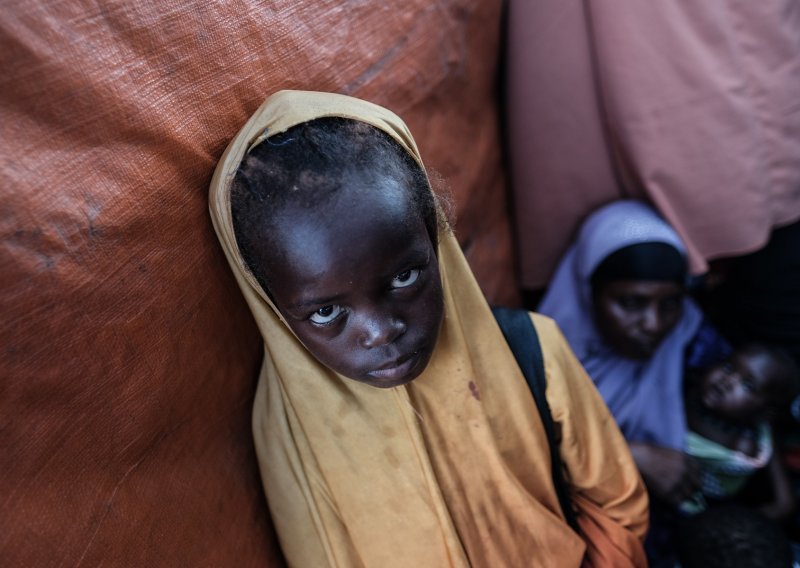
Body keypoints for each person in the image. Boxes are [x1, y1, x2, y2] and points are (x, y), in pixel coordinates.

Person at [208, 90, 648, 566]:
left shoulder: (530, 349)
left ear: (437, 240)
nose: (381, 331)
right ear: (272, 308)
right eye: (325, 313)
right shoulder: (285, 431)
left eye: (403, 277)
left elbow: (620, 507)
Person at [538, 200, 705, 509]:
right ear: (589, 293)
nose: (653, 325)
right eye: (630, 303)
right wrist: (629, 453)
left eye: (669, 304)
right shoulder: (535, 359)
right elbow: (524, 446)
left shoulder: (694, 341)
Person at [682, 343, 800, 521]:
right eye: (729, 367)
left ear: (765, 412)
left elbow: (784, 504)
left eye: (747, 386)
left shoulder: (745, 448)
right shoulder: (691, 391)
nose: (727, 381)